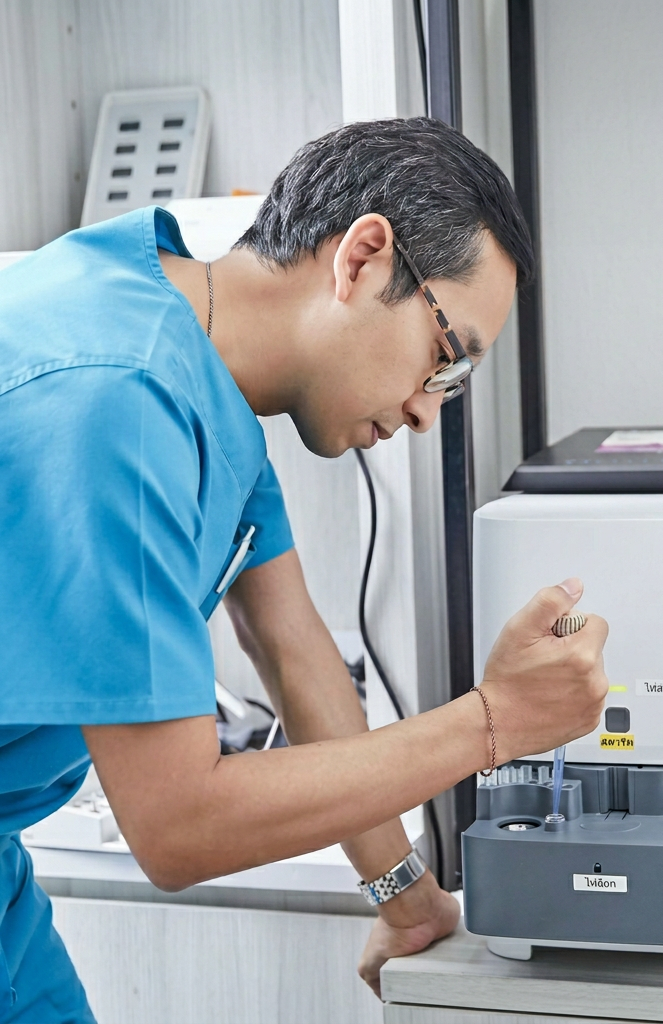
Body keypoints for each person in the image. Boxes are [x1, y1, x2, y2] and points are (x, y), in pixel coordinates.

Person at [0, 117, 609, 1022]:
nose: (425, 411)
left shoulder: (200, 368)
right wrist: (493, 723)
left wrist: (405, 900)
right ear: (362, 257)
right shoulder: (119, 396)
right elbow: (178, 827)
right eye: (445, 362)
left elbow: (295, 654)